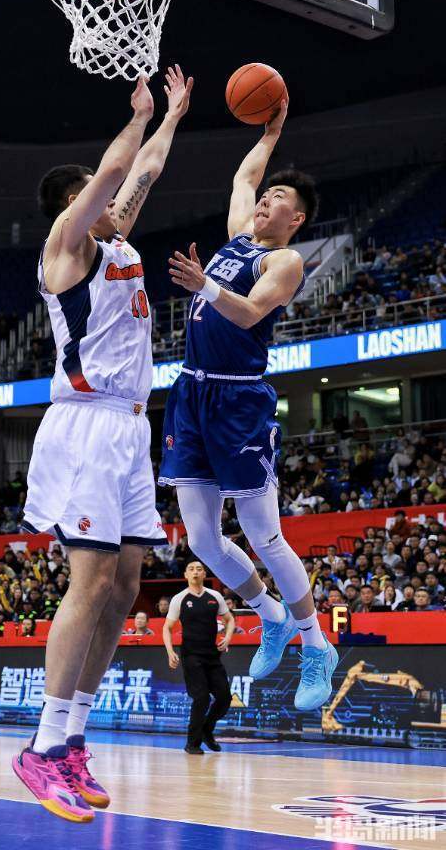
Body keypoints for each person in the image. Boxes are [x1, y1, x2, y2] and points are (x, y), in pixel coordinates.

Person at [15, 68, 193, 824]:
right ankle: (39, 749)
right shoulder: (65, 248)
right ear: (74, 204)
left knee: (123, 587)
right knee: (87, 585)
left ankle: (73, 740)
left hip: (130, 425)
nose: (112, 202)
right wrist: (138, 114)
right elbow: (120, 168)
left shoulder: (116, 243)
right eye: (94, 195)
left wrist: (172, 118)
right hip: (84, 424)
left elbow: (142, 171)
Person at [159, 101, 338, 711]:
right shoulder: (240, 236)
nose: (265, 199)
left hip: (238, 398)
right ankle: (271, 615)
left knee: (264, 534)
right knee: (202, 539)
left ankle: (316, 644)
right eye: (266, 195)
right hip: (191, 392)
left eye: (278, 197)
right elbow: (243, 177)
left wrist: (204, 285)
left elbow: (250, 311)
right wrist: (272, 132)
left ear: (298, 217)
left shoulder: (284, 260)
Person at [163, 561, 234, 754]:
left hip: (212, 655)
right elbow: (167, 628)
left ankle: (207, 730)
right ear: (185, 575)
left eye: (199, 569)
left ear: (204, 574)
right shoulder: (179, 598)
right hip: (191, 655)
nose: (195, 572)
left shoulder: (215, 596)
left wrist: (227, 638)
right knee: (201, 698)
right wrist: (170, 651)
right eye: (191, 569)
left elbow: (229, 620)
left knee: (225, 698)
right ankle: (192, 743)